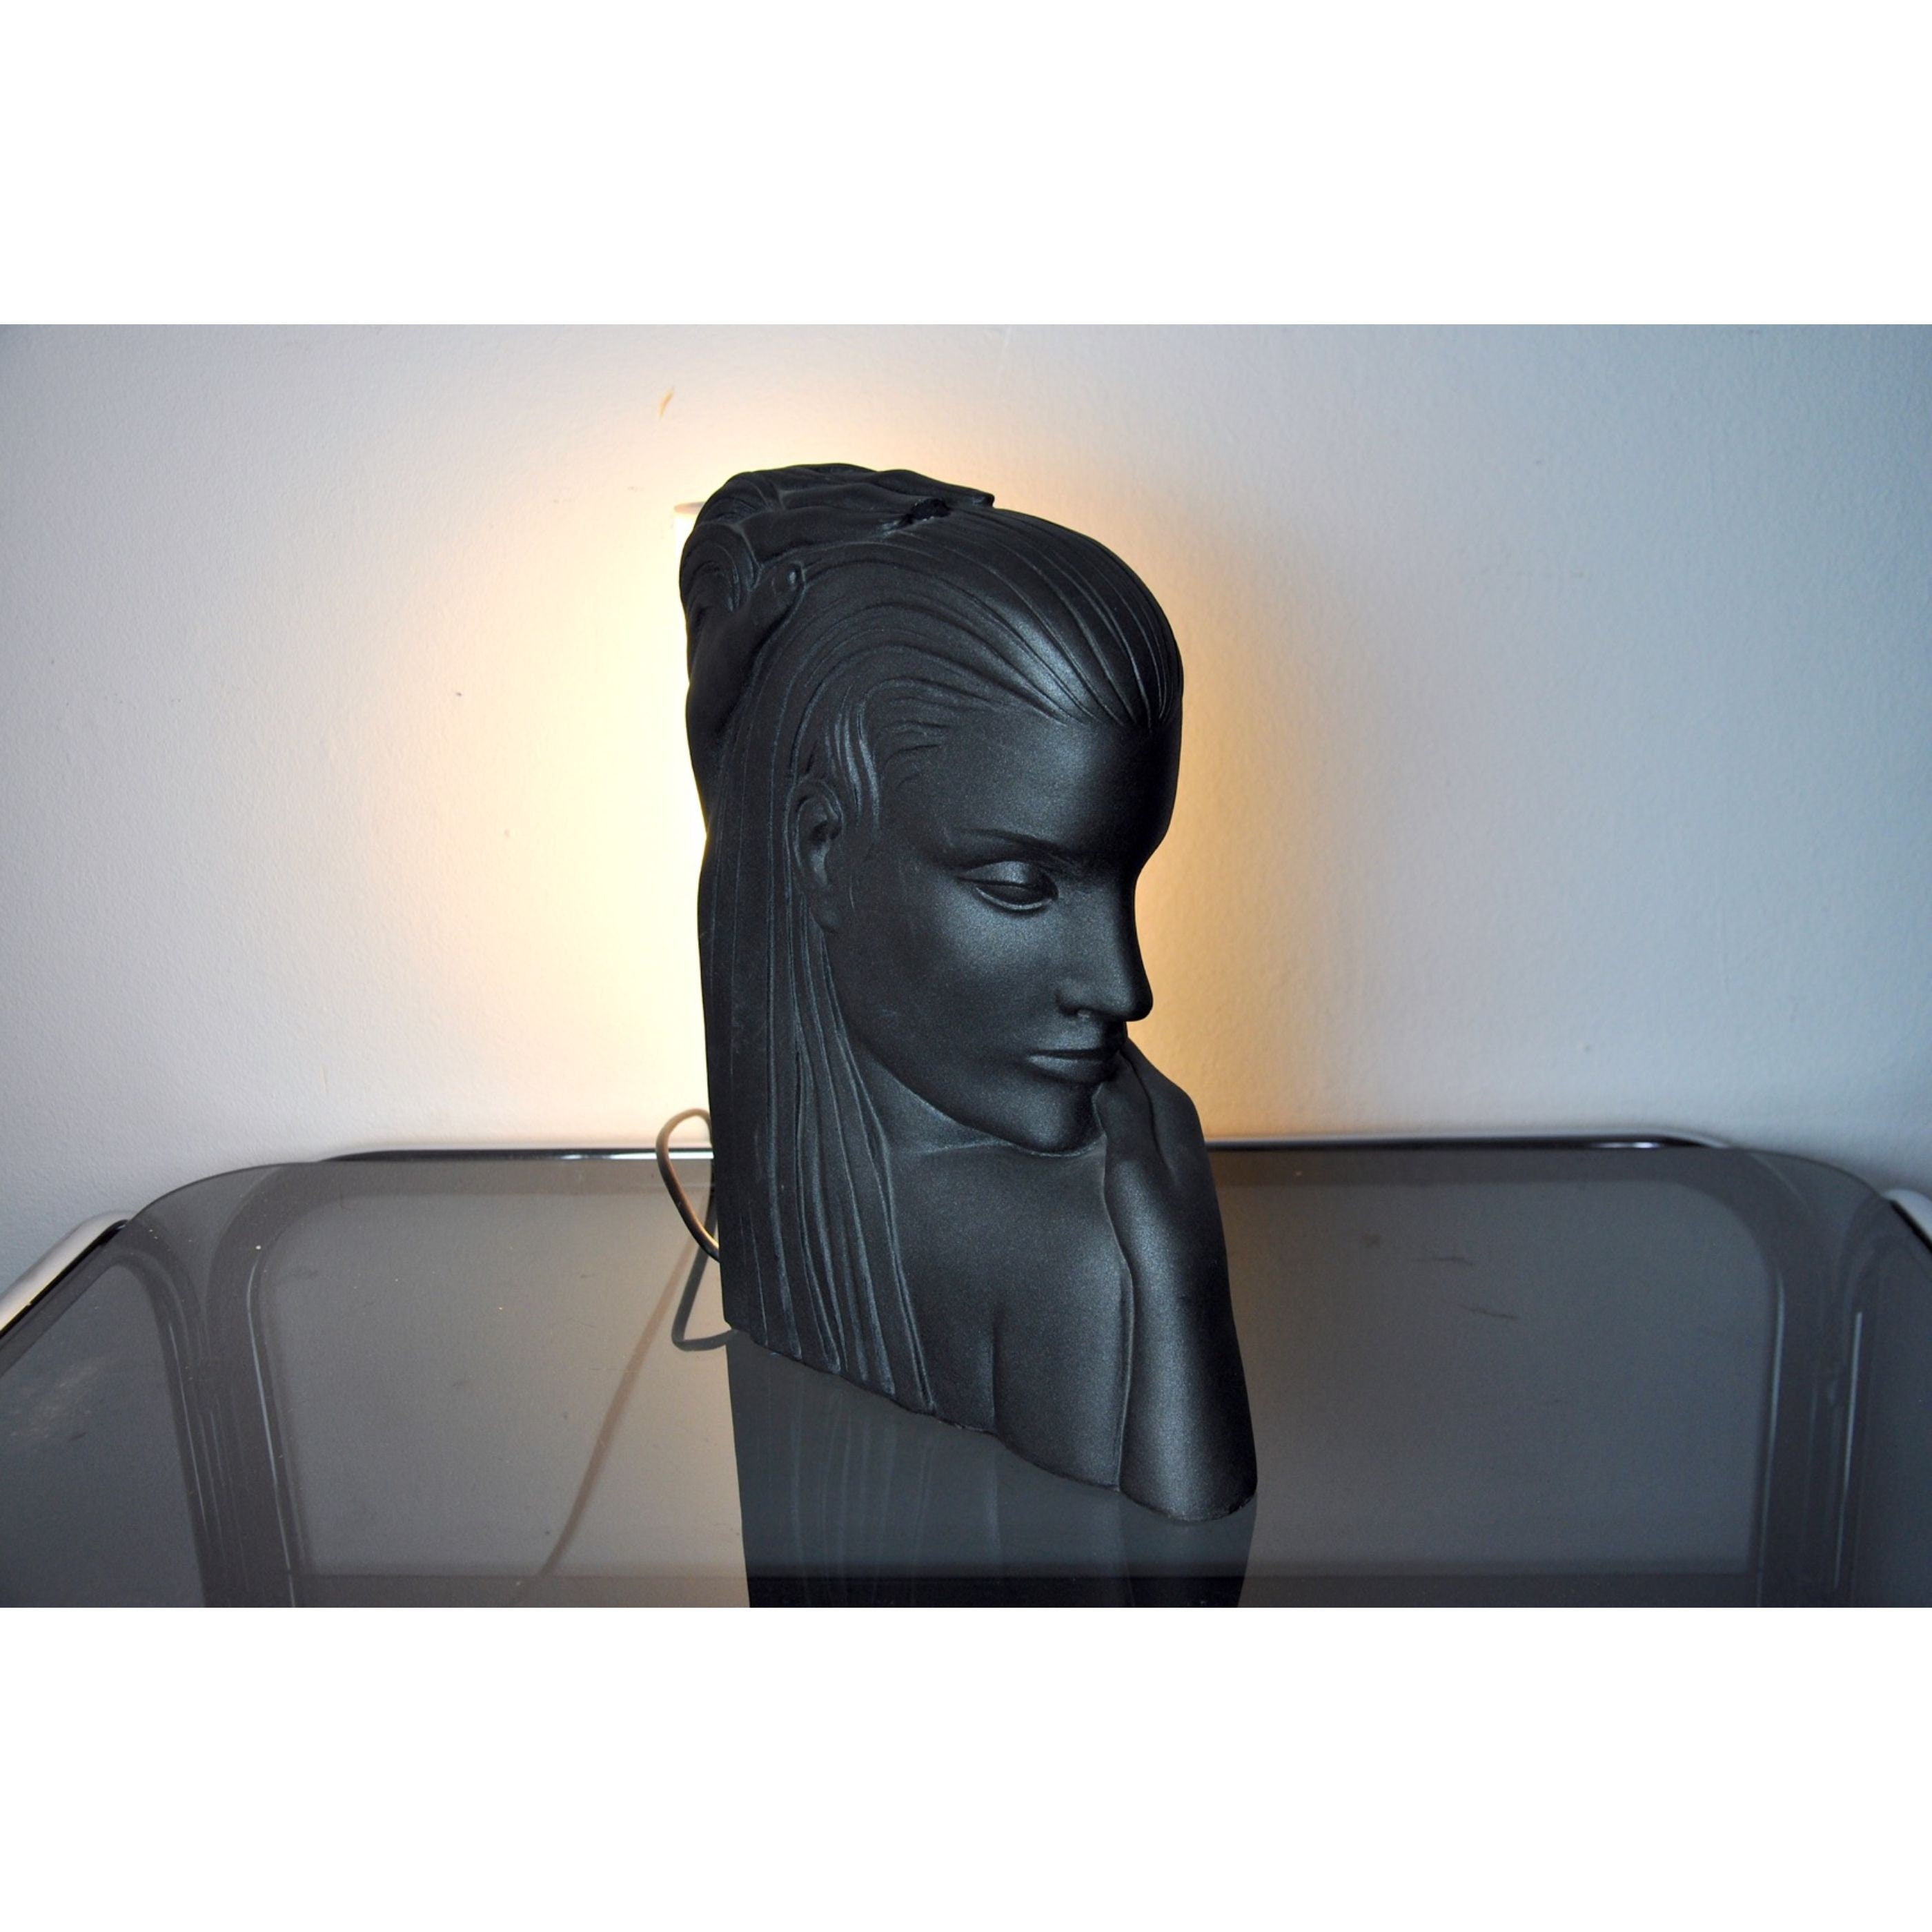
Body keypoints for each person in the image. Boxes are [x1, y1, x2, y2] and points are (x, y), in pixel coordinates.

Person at [680, 464, 1255, 1521]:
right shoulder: (1080, 1258)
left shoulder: (1094, 1241)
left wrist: (1165, 1274)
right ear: (820, 849)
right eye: (1022, 886)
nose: (1125, 989)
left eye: (1126, 877)